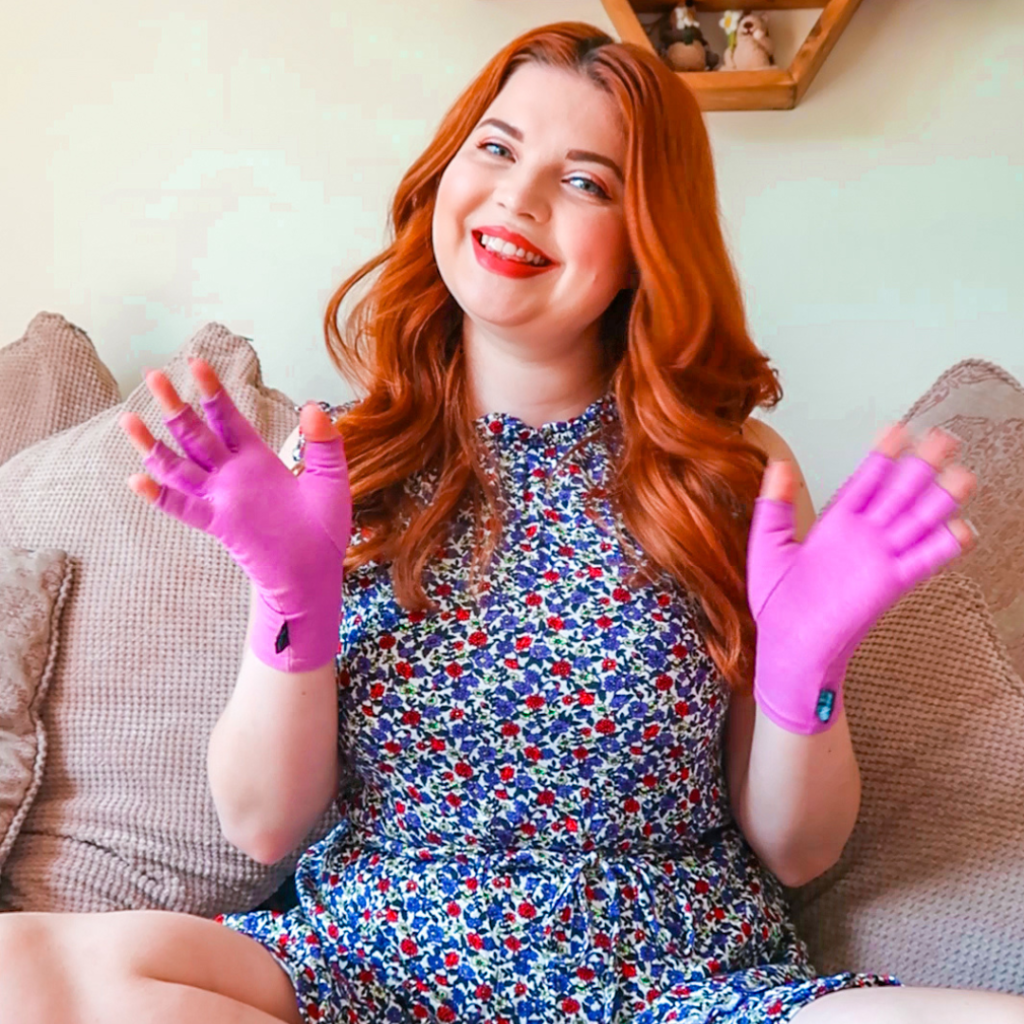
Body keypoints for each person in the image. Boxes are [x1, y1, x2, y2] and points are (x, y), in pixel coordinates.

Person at [0, 19, 1020, 1024]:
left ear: (643, 240)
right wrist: (290, 603)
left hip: (675, 983)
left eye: (585, 181)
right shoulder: (332, 463)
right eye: (496, 148)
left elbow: (797, 851)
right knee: (23, 963)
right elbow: (263, 827)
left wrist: (805, 670)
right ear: (446, 173)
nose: (517, 197)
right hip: (367, 973)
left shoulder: (734, 468)